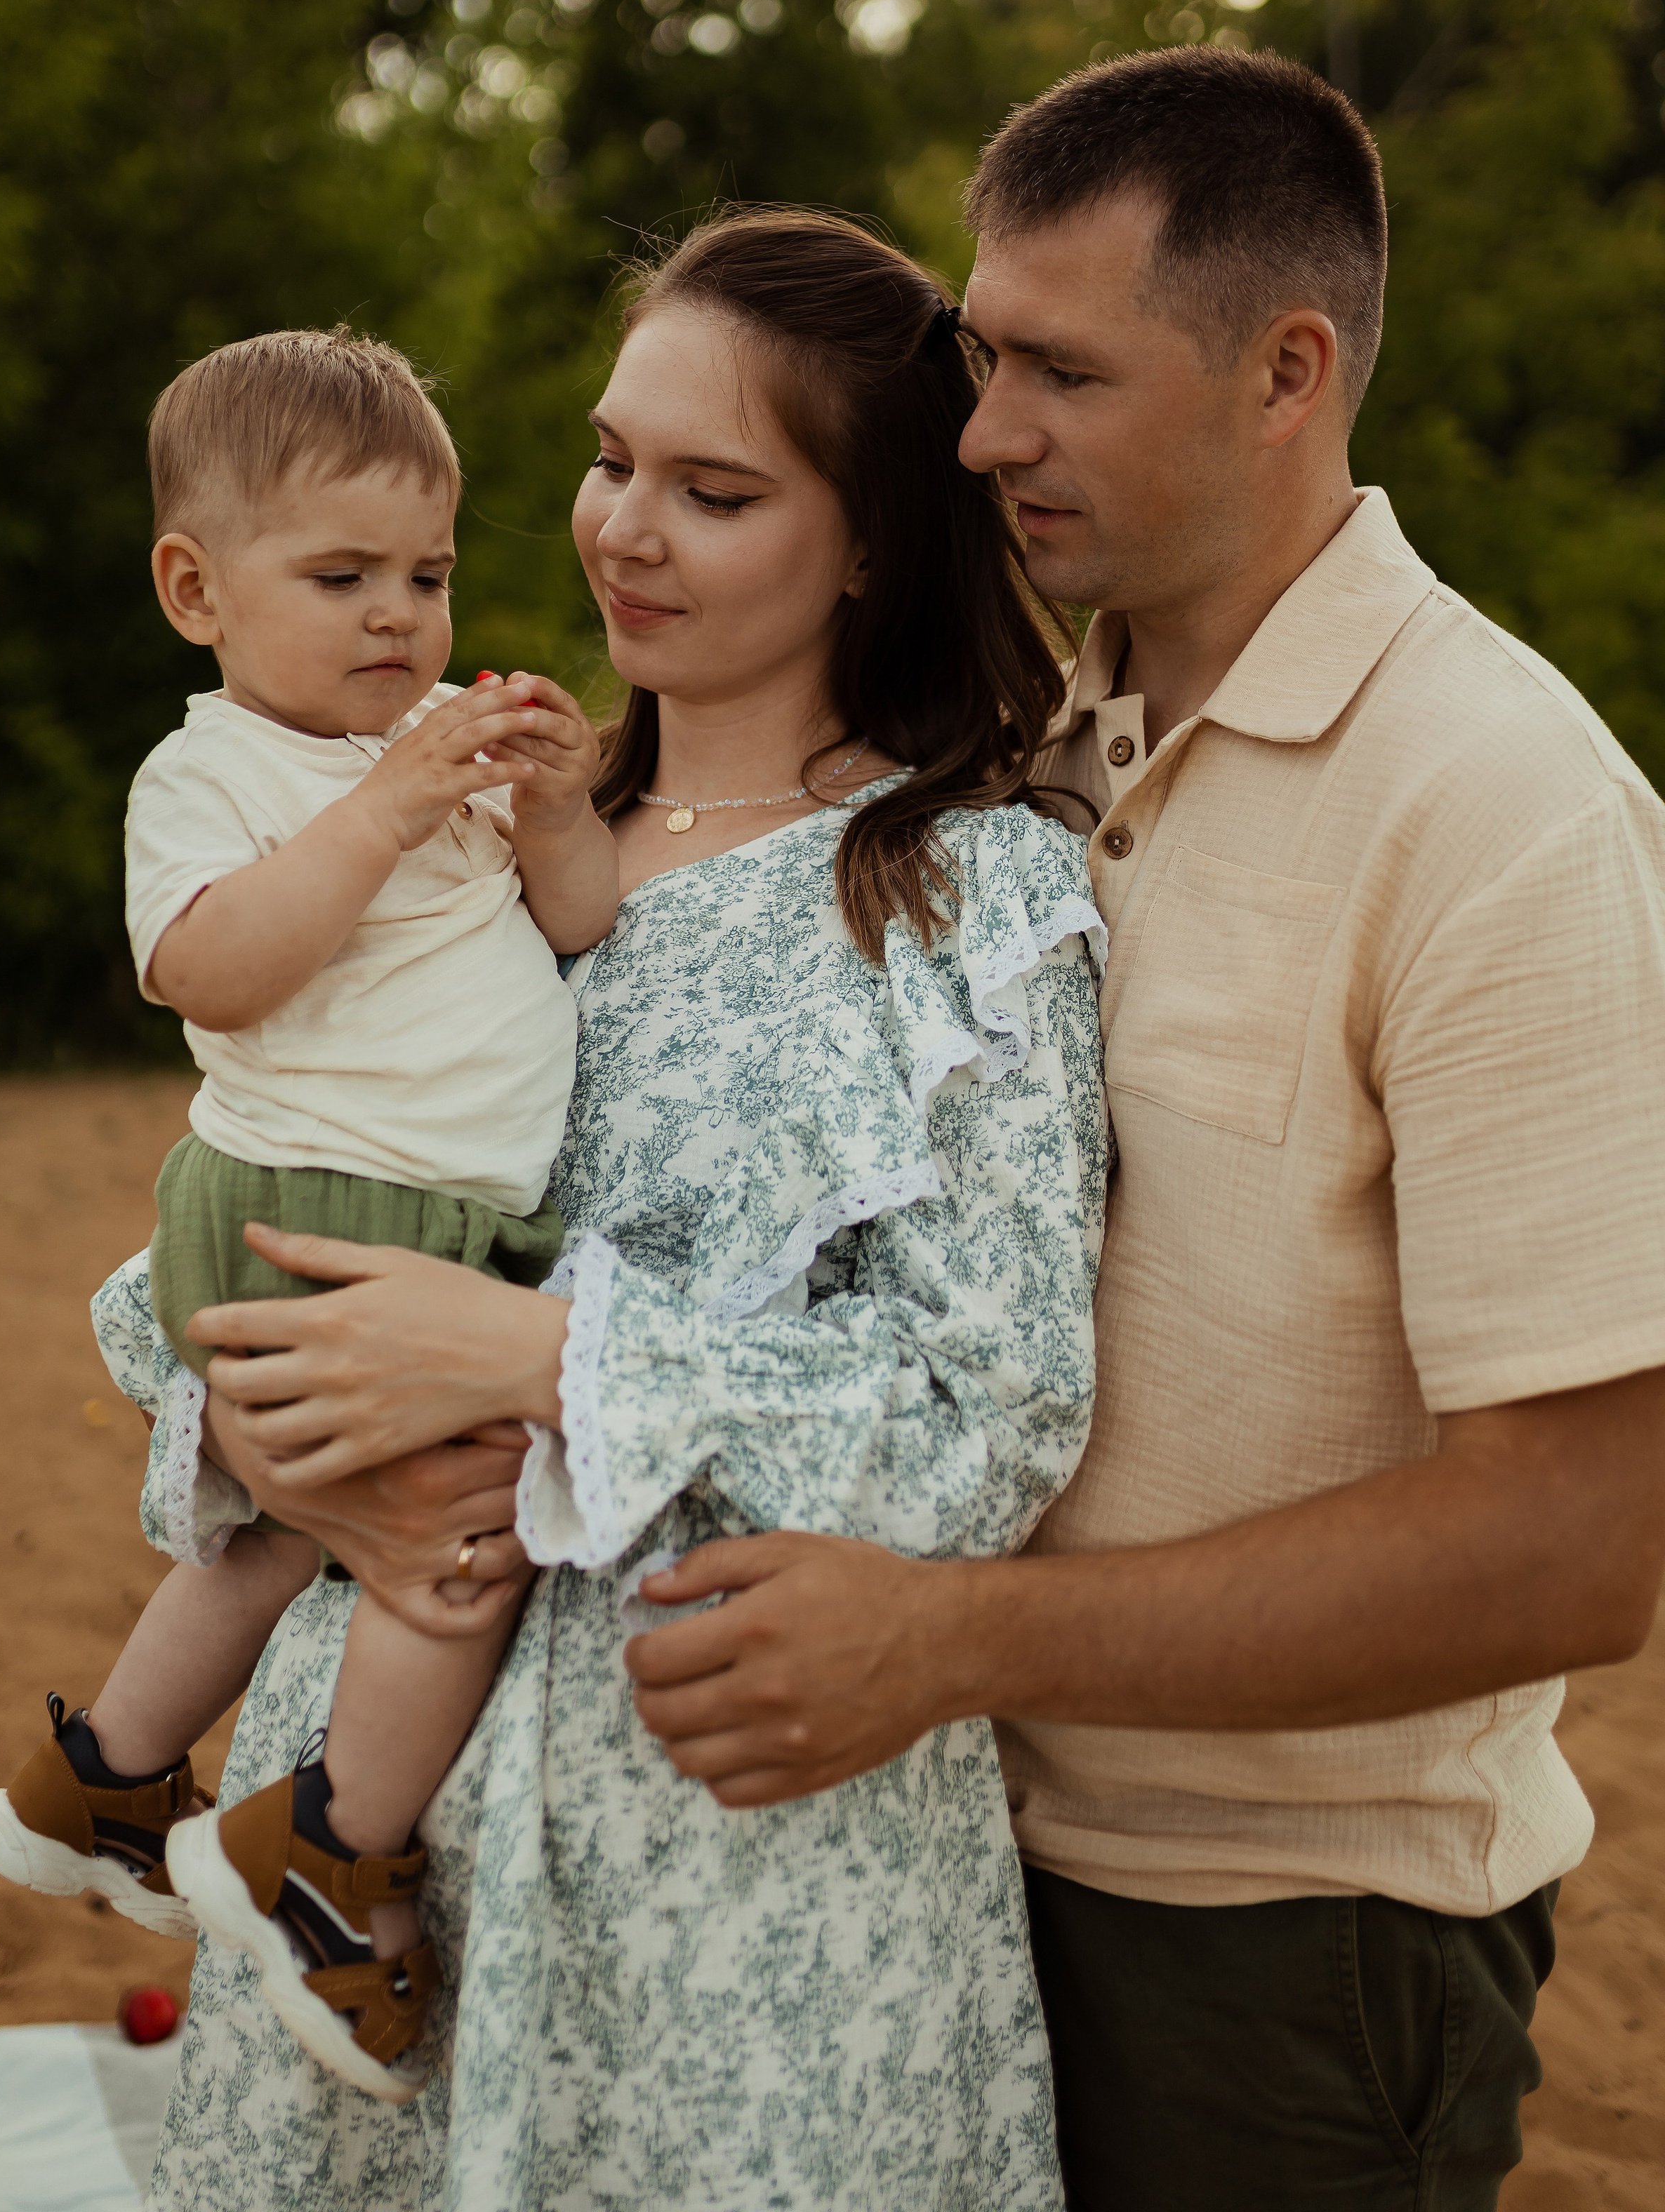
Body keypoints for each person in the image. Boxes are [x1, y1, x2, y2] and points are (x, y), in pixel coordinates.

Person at [615, 49, 1665, 2209]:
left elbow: (1578, 1542)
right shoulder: (1017, 762)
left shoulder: (1507, 815)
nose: (987, 428)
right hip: (922, 1867)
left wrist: (945, 1639)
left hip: (1281, 1957)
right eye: (986, 360)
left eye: (1061, 374)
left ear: (1289, 372)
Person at [89, 212, 1108, 2211]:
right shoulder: (455, 825)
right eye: (611, 458)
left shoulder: (959, 902)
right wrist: (268, 1425)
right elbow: (246, 1234)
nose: (624, 530)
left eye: (714, 490)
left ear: (878, 538)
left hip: (741, 1878)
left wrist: (548, 1353)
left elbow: (997, 1415)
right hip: (365, 1849)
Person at [0, 326, 617, 2098]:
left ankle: (105, 1771)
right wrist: (387, 810)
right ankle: (332, 1854)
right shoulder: (221, 777)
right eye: (339, 577)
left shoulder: (426, 750)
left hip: (401, 1225)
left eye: (425, 571)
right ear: (198, 590)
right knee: (456, 1549)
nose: (397, 616)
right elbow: (212, 969)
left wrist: (552, 813)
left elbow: (574, 931)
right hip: (320, 1212)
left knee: (267, 1532)